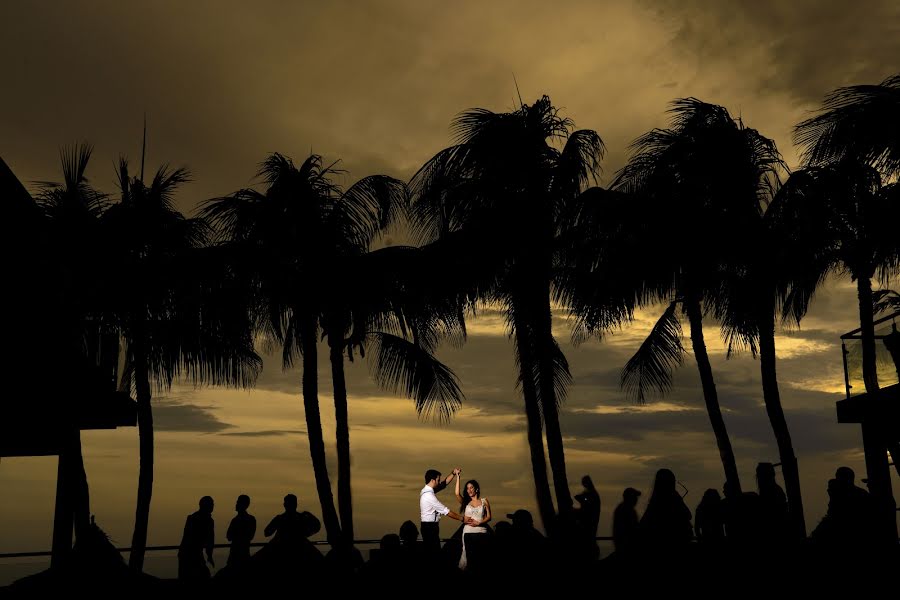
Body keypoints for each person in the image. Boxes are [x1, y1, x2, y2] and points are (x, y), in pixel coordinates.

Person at [419, 467, 465, 556]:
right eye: (438, 480)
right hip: (429, 528)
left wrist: (453, 473)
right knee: (434, 554)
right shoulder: (429, 495)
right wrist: (462, 519)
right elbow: (446, 511)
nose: (439, 482)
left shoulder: (426, 490)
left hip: (428, 527)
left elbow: (444, 484)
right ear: (432, 480)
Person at [454, 477, 492, 572]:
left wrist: (479, 522)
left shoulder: (484, 501)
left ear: (476, 489)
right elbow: (457, 493)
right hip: (468, 532)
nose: (469, 490)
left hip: (482, 532)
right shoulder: (466, 502)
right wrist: (458, 476)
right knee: (467, 555)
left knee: (481, 556)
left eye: (471, 487)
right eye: (467, 488)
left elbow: (489, 517)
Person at [178, 495, 215, 582]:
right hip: (193, 553)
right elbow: (210, 539)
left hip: (186, 553)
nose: (213, 506)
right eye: (212, 504)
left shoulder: (191, 518)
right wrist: (209, 555)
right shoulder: (208, 521)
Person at [226, 494, 256, 568]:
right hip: (243, 553)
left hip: (236, 554)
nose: (236, 504)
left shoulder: (235, 520)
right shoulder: (251, 519)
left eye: (238, 502)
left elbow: (229, 536)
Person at [612, 487, 641, 557]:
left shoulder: (622, 509)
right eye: (634, 497)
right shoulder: (627, 510)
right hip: (626, 547)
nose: (636, 499)